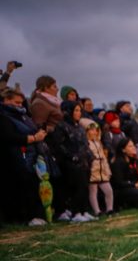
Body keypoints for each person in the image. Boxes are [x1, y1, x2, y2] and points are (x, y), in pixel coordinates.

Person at [0, 85, 48, 225]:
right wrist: (33, 138)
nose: (20, 105)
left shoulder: (23, 116)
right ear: (6, 100)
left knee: (32, 185)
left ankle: (35, 215)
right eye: (17, 102)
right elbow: (8, 137)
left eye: (21, 103)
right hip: (13, 159)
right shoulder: (3, 117)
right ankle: (26, 217)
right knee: (21, 188)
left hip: (29, 157)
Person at [48, 100, 95, 222]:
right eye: (76, 110)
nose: (79, 113)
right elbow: (59, 145)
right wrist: (71, 156)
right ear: (68, 112)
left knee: (84, 186)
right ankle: (76, 212)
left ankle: (84, 210)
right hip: (70, 163)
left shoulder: (79, 127)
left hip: (84, 162)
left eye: (80, 110)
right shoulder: (61, 126)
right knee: (76, 188)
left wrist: (90, 156)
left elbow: (85, 144)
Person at [109, 138, 138, 209]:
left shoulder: (133, 160)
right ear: (123, 150)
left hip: (132, 185)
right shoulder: (118, 162)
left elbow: (133, 176)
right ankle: (127, 204)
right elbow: (118, 182)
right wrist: (135, 184)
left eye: (133, 145)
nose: (133, 148)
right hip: (121, 189)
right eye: (130, 146)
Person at [85, 122, 115, 217]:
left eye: (96, 130)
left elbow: (104, 158)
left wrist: (107, 170)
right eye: (92, 130)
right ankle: (97, 211)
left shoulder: (99, 143)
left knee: (109, 190)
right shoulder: (86, 143)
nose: (94, 132)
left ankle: (109, 209)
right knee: (93, 191)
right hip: (93, 170)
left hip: (102, 170)